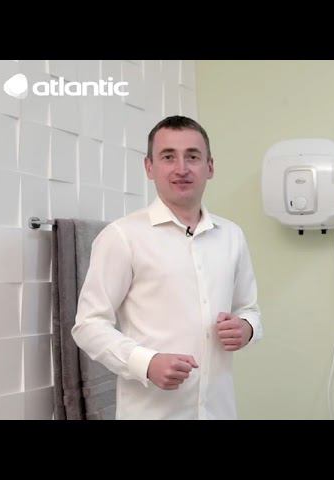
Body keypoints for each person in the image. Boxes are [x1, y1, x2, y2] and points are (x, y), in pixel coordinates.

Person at [72, 115, 262, 420]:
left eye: (193, 156)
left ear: (210, 167)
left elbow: (249, 309)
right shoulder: (122, 237)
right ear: (149, 167)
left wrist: (246, 328)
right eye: (168, 156)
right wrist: (146, 363)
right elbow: (88, 325)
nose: (181, 168)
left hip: (220, 411)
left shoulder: (232, 236)